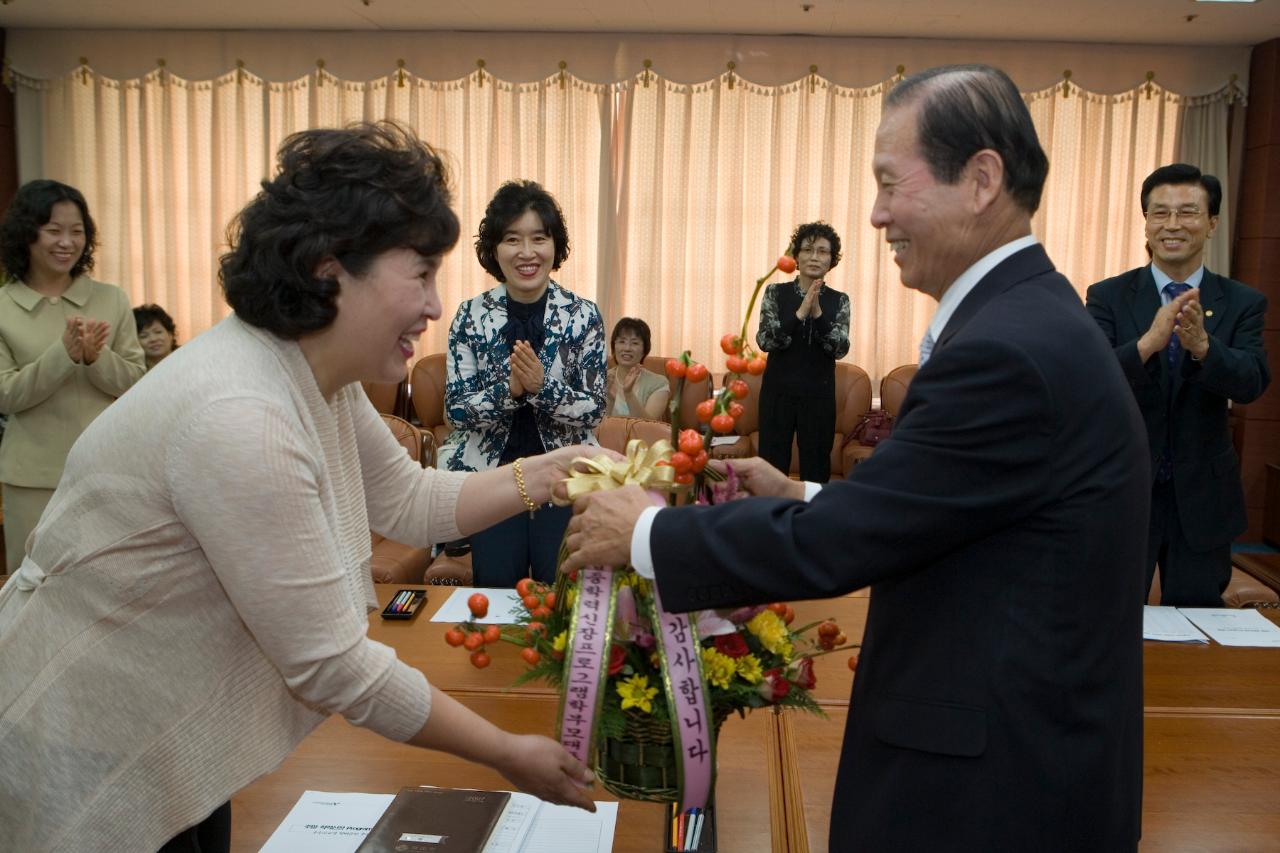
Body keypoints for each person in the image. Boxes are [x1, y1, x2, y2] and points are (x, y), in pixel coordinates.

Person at [561, 64, 1149, 852]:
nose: (874, 217)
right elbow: (934, 509)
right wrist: (804, 489)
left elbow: (850, 540)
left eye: (887, 183)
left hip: (994, 788)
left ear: (980, 179)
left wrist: (647, 533)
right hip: (1018, 750)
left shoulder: (1007, 350)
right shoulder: (1030, 319)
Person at [0, 124, 600, 853]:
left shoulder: (312, 375)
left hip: (164, 732)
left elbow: (409, 498)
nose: (436, 306)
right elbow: (333, 666)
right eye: (420, 274)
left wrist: (548, 470)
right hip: (93, 737)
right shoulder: (240, 413)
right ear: (328, 269)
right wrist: (508, 751)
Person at [1086, 165, 1269, 607]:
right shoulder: (1107, 295)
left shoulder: (1242, 301)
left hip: (1203, 500)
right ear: (1145, 222)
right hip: (1125, 492)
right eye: (1159, 213)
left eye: (1187, 213)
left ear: (1211, 223)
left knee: (1201, 626)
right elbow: (1089, 381)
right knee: (1109, 617)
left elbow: (1252, 382)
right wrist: (1147, 344)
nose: (1172, 225)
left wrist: (1206, 350)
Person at [439, 180, 607, 587]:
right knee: (496, 596)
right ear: (495, 249)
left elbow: (594, 408)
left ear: (555, 246)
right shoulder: (470, 316)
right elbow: (456, 409)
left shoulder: (583, 316)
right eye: (513, 239)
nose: (527, 253)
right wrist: (510, 390)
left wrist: (542, 386)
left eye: (538, 238)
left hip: (563, 479)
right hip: (493, 481)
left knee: (562, 597)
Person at [0, 180, 145, 573]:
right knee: (32, 582)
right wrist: (62, 355)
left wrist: (97, 359)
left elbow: (136, 382)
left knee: (105, 581)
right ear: (27, 234)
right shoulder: (3, 308)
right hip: (32, 477)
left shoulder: (110, 298)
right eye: (53, 230)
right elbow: (6, 395)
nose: (67, 242)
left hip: (106, 471)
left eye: (77, 231)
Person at [756, 221, 851, 482]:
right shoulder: (775, 292)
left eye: (822, 251)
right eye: (808, 250)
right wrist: (800, 313)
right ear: (796, 256)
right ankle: (769, 520)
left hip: (818, 397)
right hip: (777, 393)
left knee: (817, 470)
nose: (814, 257)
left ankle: (812, 522)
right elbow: (765, 341)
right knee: (771, 472)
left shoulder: (839, 299)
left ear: (832, 260)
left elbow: (839, 348)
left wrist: (818, 312)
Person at [606, 317, 669, 419]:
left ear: (644, 350)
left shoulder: (658, 383)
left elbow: (648, 427)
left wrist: (629, 393)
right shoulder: (602, 379)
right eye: (622, 342)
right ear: (614, 346)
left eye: (634, 343)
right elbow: (595, 427)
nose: (627, 348)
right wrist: (609, 400)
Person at [134, 302, 179, 369]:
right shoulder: (133, 372)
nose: (153, 339)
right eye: (144, 336)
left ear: (170, 334)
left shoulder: (187, 358)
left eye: (158, 332)